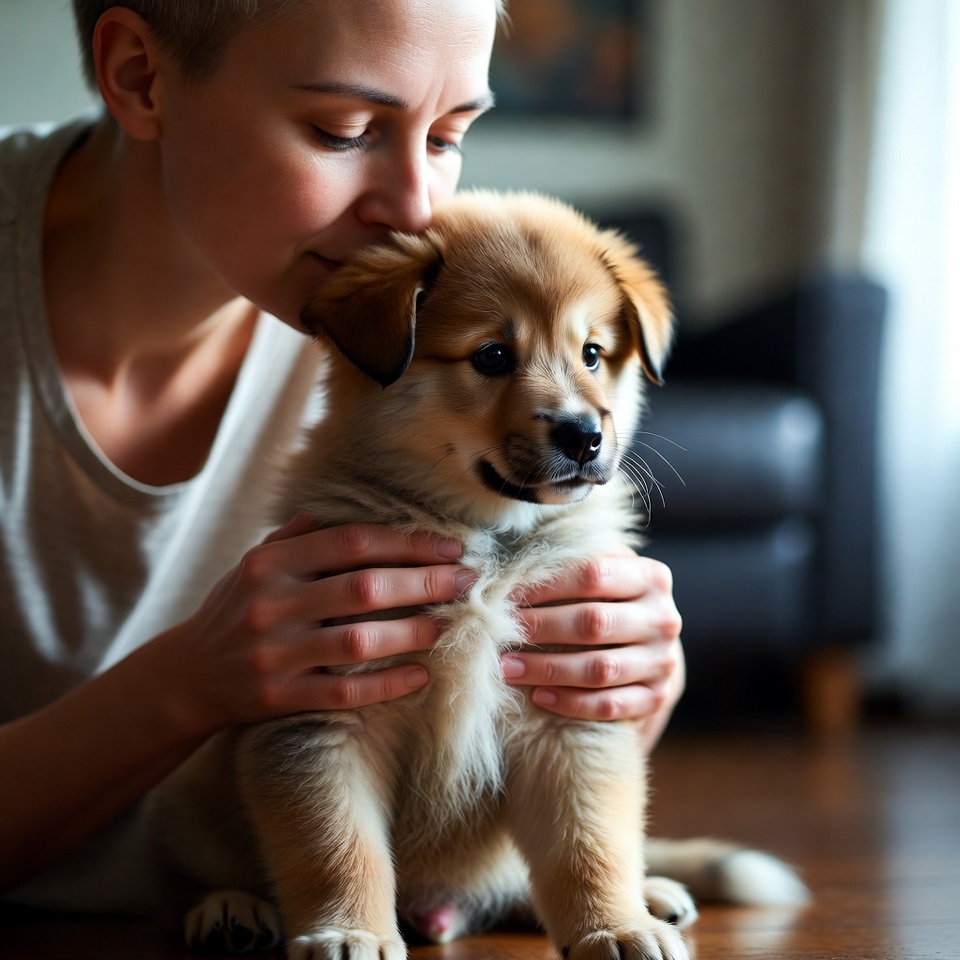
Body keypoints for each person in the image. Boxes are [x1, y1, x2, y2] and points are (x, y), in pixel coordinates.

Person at [0, 0, 685, 912]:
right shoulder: (376, 312)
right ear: (139, 76)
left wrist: (626, 678)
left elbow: (510, 763)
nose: (414, 207)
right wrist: (187, 685)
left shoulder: (404, 301)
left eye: (449, 135)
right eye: (344, 130)